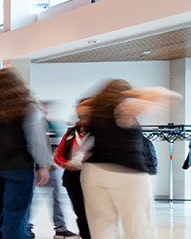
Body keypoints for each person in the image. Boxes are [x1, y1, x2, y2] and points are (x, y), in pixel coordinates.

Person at [79, 80, 180, 239]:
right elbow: (167, 94)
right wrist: (129, 93)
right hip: (128, 173)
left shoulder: (93, 110)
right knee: (137, 226)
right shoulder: (124, 109)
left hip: (94, 172)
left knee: (101, 227)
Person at [0, 69, 53, 239]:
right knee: (16, 217)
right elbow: (36, 140)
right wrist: (43, 165)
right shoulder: (28, 107)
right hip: (19, 169)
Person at [38, 101, 77, 239]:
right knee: (30, 200)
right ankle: (27, 228)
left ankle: (60, 228)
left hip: (51, 168)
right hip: (38, 168)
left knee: (56, 199)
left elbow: (57, 147)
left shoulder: (53, 125)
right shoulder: (36, 125)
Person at [56, 98, 93, 239]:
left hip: (93, 176)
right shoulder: (72, 131)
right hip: (72, 177)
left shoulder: (100, 131)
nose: (81, 110)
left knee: (95, 212)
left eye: (85, 107)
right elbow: (59, 154)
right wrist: (65, 163)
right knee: (80, 212)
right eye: (78, 107)